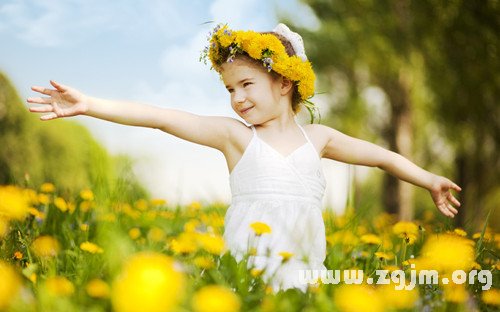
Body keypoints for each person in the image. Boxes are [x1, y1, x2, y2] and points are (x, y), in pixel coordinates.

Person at [27, 23, 461, 293]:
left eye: (246, 84)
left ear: (284, 83)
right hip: (245, 279)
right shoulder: (235, 138)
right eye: (230, 89)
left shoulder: (320, 139)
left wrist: (428, 180)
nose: (237, 98)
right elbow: (161, 117)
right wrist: (89, 104)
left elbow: (383, 156)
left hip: (305, 280)